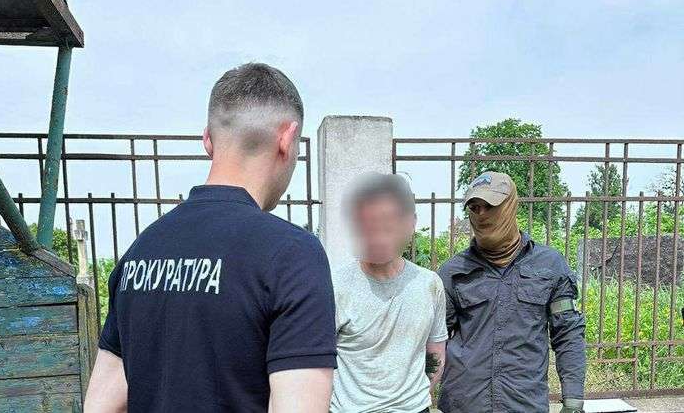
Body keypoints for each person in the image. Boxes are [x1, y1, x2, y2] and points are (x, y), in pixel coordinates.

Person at [84, 63, 337, 412]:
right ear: (287, 139)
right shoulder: (292, 255)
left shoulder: (140, 251)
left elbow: (100, 405)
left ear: (207, 140)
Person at [437, 171, 586, 413]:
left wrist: (573, 402)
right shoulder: (453, 272)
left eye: (490, 206)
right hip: (464, 405)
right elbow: (434, 340)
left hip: (524, 404)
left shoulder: (549, 265)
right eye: (474, 207)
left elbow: (568, 333)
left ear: (510, 206)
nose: (481, 214)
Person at [330, 173, 448, 413]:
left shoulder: (429, 284)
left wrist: (413, 400)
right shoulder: (335, 286)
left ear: (410, 223)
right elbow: (317, 363)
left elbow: (435, 351)